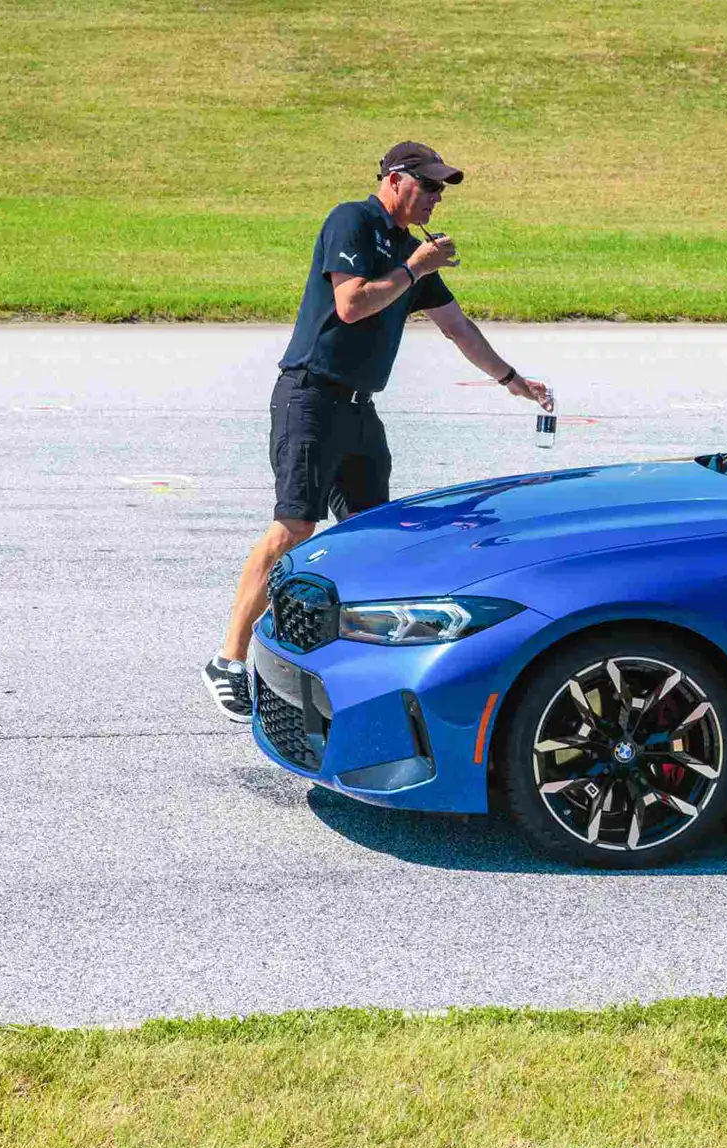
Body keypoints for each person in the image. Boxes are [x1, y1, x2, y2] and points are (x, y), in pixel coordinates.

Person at [203, 140, 553, 721]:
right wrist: (414, 268)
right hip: (310, 398)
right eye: (432, 185)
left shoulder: (411, 252)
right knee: (294, 527)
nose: (439, 197)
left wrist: (511, 379)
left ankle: (345, 666)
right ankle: (229, 660)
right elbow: (351, 304)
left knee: (375, 538)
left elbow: (456, 327)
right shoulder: (354, 220)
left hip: (360, 413)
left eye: (444, 188)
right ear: (396, 179)